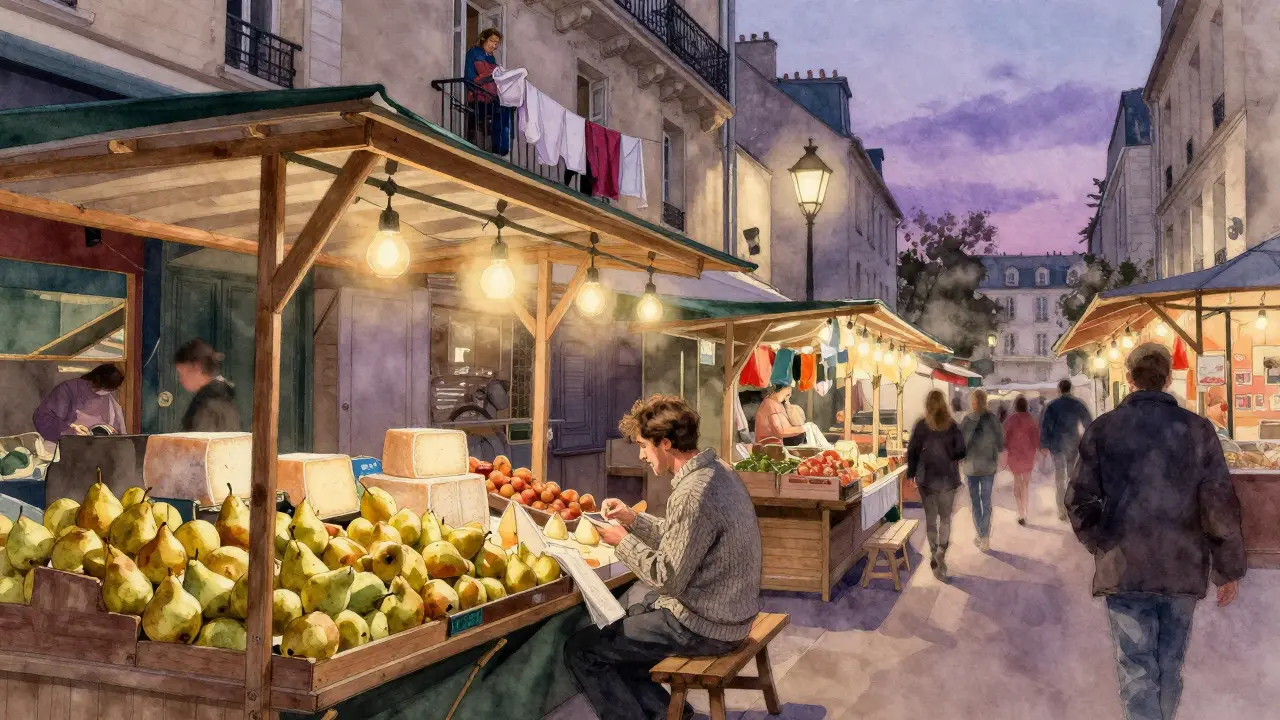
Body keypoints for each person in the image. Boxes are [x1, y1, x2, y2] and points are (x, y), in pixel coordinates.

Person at [1067, 343, 1245, 720]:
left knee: (1136, 669)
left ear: (1129, 379)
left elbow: (1078, 501)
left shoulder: (1104, 429)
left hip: (1125, 567)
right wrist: (1227, 568)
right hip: (1181, 566)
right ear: (1167, 379)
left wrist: (1103, 541)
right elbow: (1218, 505)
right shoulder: (1198, 431)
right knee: (1169, 666)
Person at [565, 395, 762, 720]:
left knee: (582, 649)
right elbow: (685, 539)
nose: (642, 455)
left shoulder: (691, 493)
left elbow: (668, 578)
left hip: (708, 628)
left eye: (644, 446)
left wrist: (623, 541)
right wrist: (633, 519)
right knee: (629, 622)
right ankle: (667, 713)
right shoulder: (716, 471)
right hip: (730, 615)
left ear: (666, 443)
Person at [906, 390, 966, 581]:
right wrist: (949, 457)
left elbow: (913, 451)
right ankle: (941, 551)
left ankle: (933, 554)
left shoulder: (921, 425)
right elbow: (961, 451)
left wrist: (911, 473)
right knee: (946, 519)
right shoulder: (952, 426)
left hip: (927, 479)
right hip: (948, 479)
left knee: (931, 519)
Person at [1040, 378, 1094, 522]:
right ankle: (1072, 508)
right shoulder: (1077, 404)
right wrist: (1088, 440)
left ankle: (1061, 510)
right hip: (1073, 444)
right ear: (1071, 389)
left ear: (1059, 390)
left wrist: (1044, 445)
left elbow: (1046, 427)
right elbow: (1088, 422)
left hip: (1056, 446)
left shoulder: (1052, 406)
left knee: (1059, 478)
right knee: (1072, 477)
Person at [32, 364, 127, 442]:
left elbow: (120, 432)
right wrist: (69, 429)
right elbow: (41, 417)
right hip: (67, 448)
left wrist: (113, 433)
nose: (104, 392)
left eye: (110, 390)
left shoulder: (108, 398)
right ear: (97, 380)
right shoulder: (69, 389)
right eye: (105, 388)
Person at [959, 389, 1003, 552]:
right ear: (985, 401)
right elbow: (1000, 444)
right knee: (986, 501)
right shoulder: (993, 420)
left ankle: (981, 534)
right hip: (988, 467)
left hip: (971, 468)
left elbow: (960, 445)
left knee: (976, 502)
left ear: (973, 402)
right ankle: (985, 536)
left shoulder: (966, 420)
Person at [175, 339, 241, 432]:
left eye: (181, 373)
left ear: (197, 368)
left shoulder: (210, 403)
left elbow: (200, 444)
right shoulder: (223, 396)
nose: (181, 380)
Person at [464, 29, 511, 156]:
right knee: (482, 123)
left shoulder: (491, 58)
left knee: (505, 114)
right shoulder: (474, 52)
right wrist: (491, 75)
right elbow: (471, 78)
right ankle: (491, 149)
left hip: (491, 97)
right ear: (484, 39)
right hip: (478, 97)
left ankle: (500, 149)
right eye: (492, 41)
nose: (494, 45)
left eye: (496, 43)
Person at [1003, 395, 1041, 525]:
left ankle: (1020, 512)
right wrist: (1037, 450)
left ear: (1015, 406)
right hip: (1028, 456)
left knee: (1017, 481)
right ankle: (1024, 511)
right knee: (1026, 485)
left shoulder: (1010, 420)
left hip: (1014, 456)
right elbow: (1036, 439)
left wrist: (1006, 450)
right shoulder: (1031, 420)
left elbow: (1005, 438)